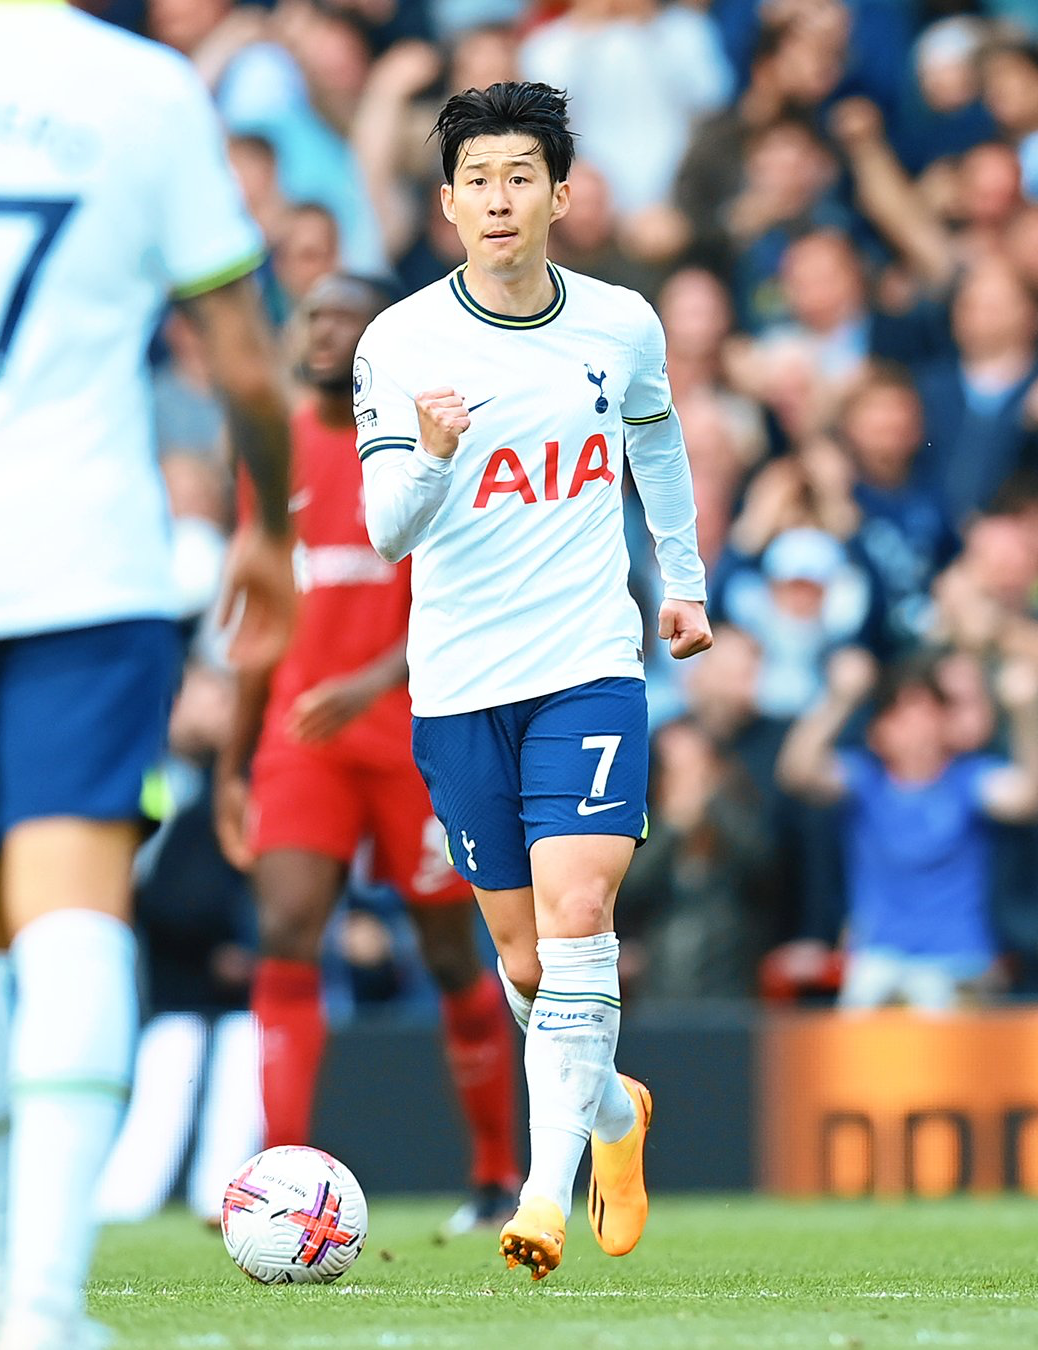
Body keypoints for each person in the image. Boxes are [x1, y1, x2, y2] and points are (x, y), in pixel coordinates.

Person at [0, 6, 296, 1350]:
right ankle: (42, 1301)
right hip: (80, 564)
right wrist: (269, 527)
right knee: (72, 907)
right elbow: (249, 366)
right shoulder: (145, 91)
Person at [353, 82, 712, 1279]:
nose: (500, 198)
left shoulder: (620, 323)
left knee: (580, 922)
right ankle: (613, 1113)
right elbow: (387, 532)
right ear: (447, 201)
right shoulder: (399, 342)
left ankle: (542, 1194)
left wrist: (685, 582)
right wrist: (438, 457)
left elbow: (657, 439)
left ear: (560, 192)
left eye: (522, 175)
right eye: (478, 179)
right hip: (458, 683)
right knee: (523, 965)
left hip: (588, 667)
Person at [215, 274, 521, 1235]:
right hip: (300, 738)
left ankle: (493, 1172)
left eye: (347, 318)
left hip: (414, 734)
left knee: (445, 950)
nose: (323, 331)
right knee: (288, 928)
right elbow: (260, 615)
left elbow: (465, 592)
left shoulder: (431, 445)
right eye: (313, 315)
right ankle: (278, 1174)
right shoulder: (273, 454)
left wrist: (373, 677)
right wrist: (231, 760)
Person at [776, 649, 1038, 1010]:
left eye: (929, 712)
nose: (918, 726)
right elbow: (798, 772)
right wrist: (839, 698)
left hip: (958, 963)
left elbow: (1028, 796)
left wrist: (1026, 712)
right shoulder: (866, 783)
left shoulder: (969, 780)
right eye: (903, 714)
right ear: (878, 731)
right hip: (879, 962)